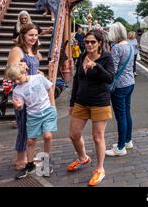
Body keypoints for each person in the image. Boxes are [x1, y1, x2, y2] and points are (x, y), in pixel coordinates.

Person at [67, 30, 114, 187]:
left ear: (99, 43)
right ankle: (83, 158)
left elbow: (110, 78)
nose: (89, 44)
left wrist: (97, 67)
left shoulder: (106, 57)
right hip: (81, 101)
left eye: (93, 42)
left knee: (97, 137)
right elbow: (77, 80)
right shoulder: (81, 56)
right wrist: (72, 102)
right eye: (87, 41)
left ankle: (100, 169)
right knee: (74, 134)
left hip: (100, 101)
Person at [8, 64, 57, 179]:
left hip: (47, 111)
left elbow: (49, 88)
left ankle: (46, 161)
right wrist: (18, 106)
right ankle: (30, 165)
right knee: (31, 141)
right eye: (14, 80)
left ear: (24, 72)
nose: (17, 81)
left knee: (47, 136)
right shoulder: (17, 90)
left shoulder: (38, 78)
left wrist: (53, 106)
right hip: (33, 115)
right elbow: (20, 106)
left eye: (18, 78)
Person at [5, 23, 43, 171]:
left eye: (36, 35)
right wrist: (20, 69)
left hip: (33, 94)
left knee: (31, 127)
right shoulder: (17, 50)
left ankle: (29, 157)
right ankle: (20, 160)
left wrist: (38, 73)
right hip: (22, 94)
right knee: (23, 127)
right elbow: (10, 72)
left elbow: (32, 69)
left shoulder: (32, 50)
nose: (34, 38)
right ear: (23, 35)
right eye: (31, 35)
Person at [106, 22, 135, 158]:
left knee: (120, 116)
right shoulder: (129, 45)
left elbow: (113, 69)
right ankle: (127, 141)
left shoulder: (116, 48)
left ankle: (120, 147)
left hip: (119, 86)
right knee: (127, 113)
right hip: (130, 83)